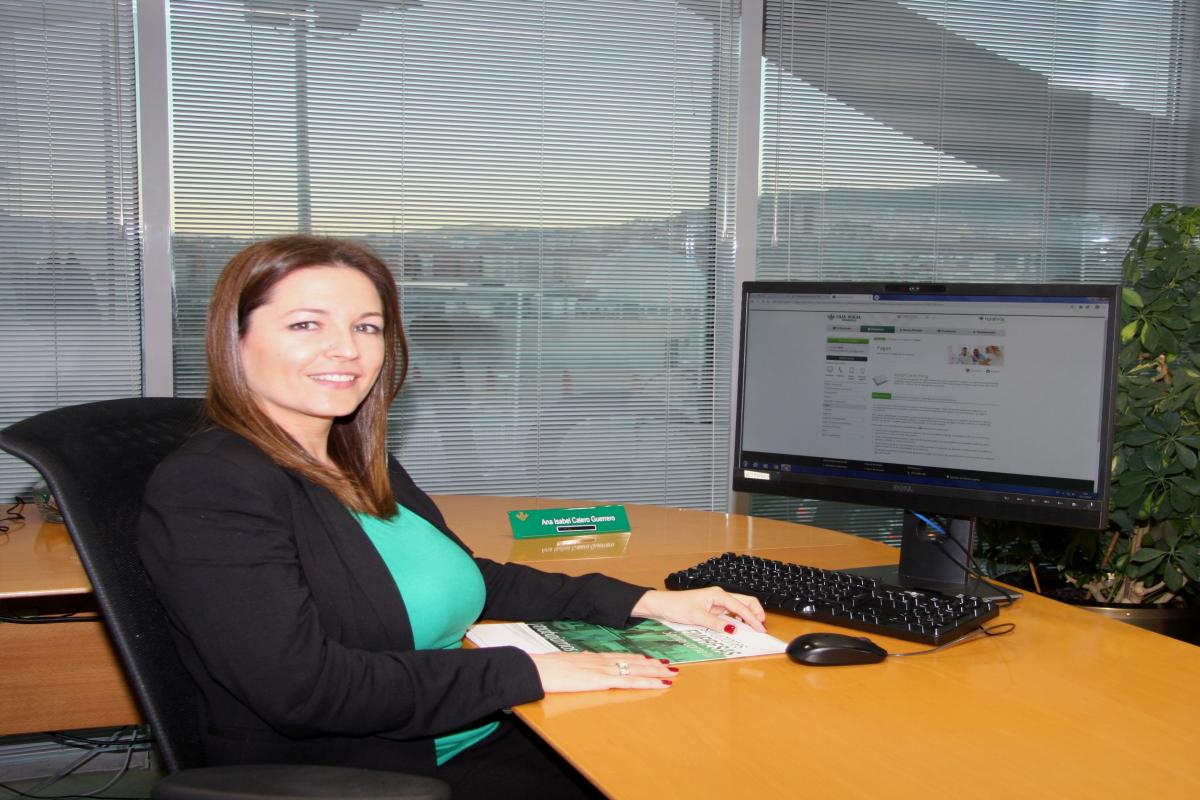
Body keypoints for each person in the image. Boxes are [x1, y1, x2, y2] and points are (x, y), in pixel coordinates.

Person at [138, 235, 766, 799]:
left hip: (471, 727)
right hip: (374, 770)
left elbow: (465, 577)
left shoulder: (352, 455)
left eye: (367, 327)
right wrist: (531, 671)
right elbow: (303, 688)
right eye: (306, 324)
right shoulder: (213, 486)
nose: (346, 350)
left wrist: (647, 602)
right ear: (235, 337)